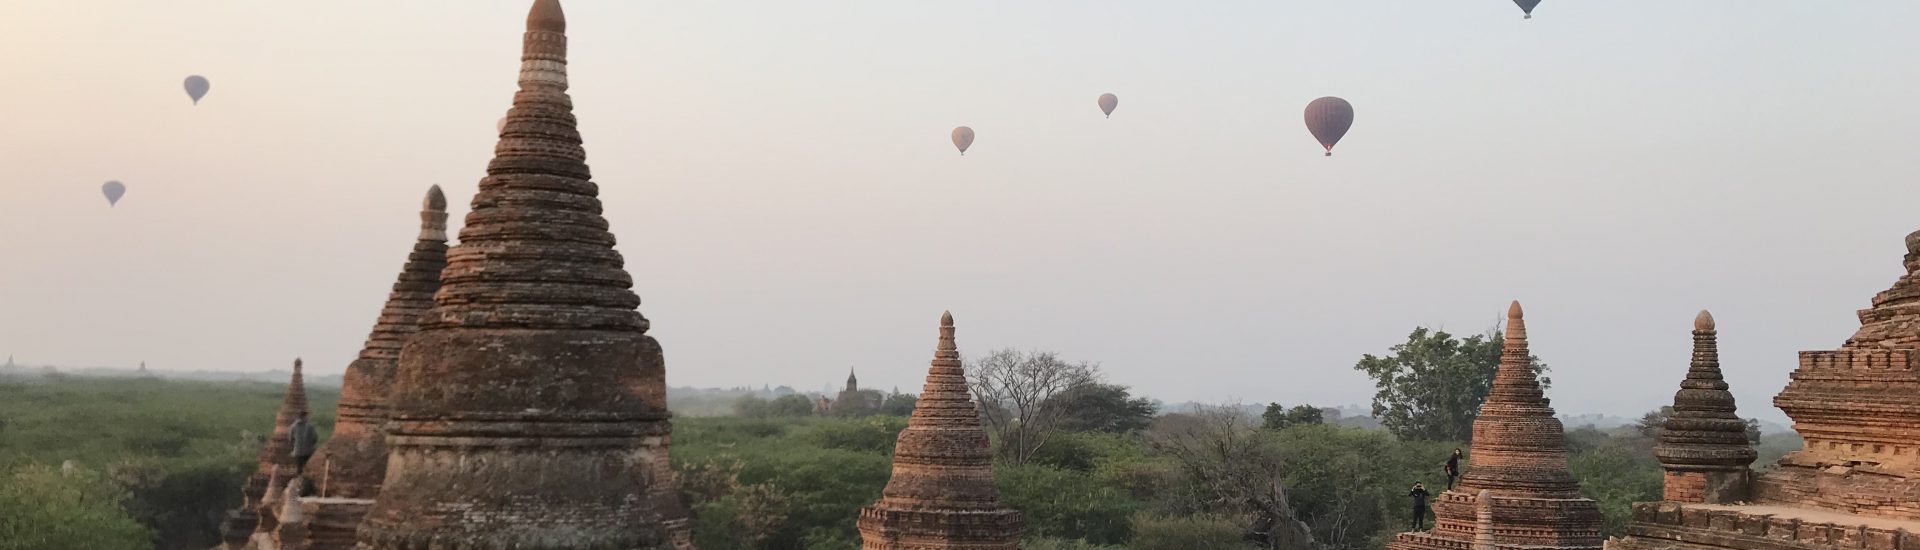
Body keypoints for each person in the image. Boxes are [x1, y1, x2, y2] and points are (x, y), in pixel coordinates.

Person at [289, 411, 320, 478]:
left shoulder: (293, 426)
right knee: (308, 469)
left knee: (299, 469)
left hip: (297, 452)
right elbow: (315, 438)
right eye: (307, 416)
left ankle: (299, 482)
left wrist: (294, 448)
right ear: (304, 417)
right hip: (308, 452)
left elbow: (291, 439)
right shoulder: (310, 426)